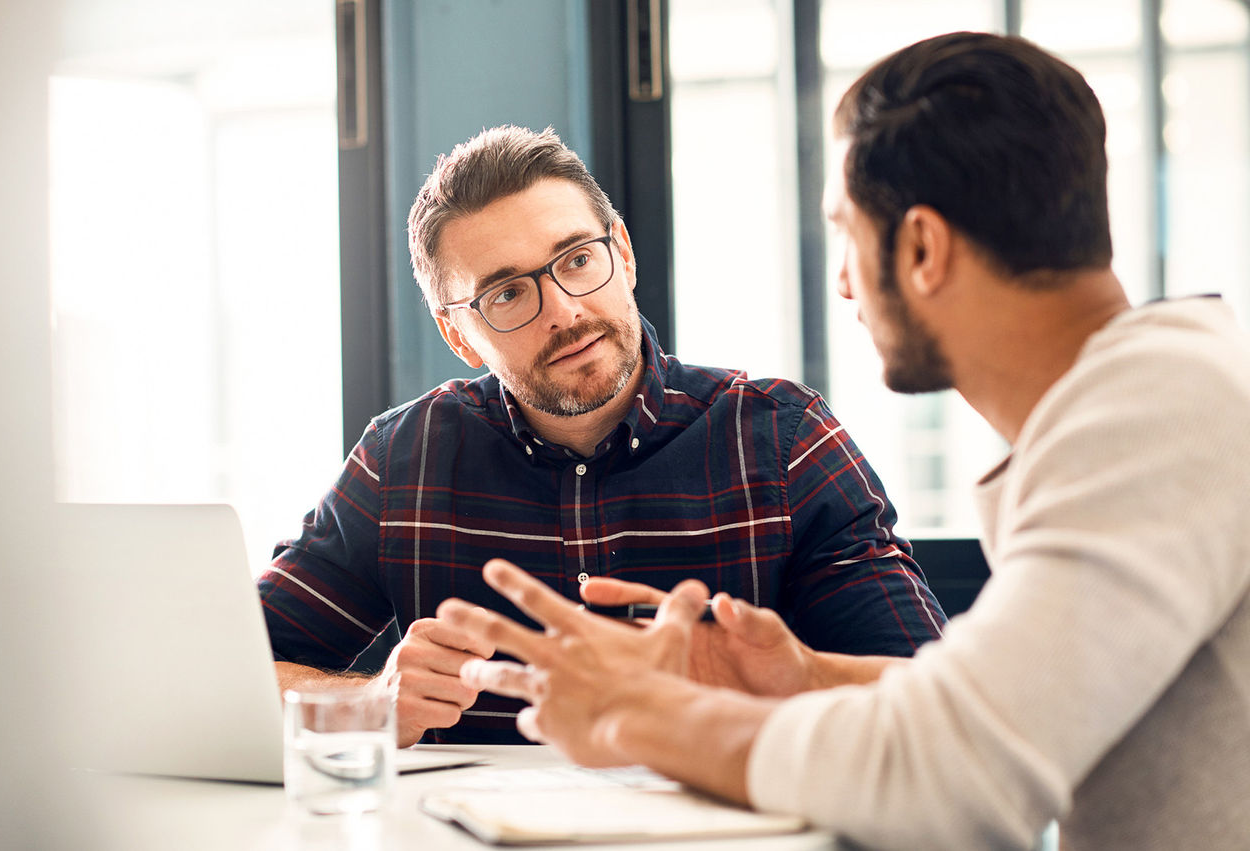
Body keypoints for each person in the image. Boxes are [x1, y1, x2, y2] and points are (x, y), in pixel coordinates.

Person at [437, 32, 1250, 851]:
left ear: (923, 249)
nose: (842, 281)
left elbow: (951, 775)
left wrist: (645, 717)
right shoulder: (1155, 397)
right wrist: (808, 676)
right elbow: (1009, 703)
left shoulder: (1158, 413)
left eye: (846, 232)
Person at [258, 125, 946, 746]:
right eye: (506, 294)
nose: (564, 309)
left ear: (623, 252)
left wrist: (777, 680)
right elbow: (230, 677)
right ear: (456, 334)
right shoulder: (399, 462)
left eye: (578, 259)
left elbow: (932, 704)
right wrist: (368, 703)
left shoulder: (785, 440)